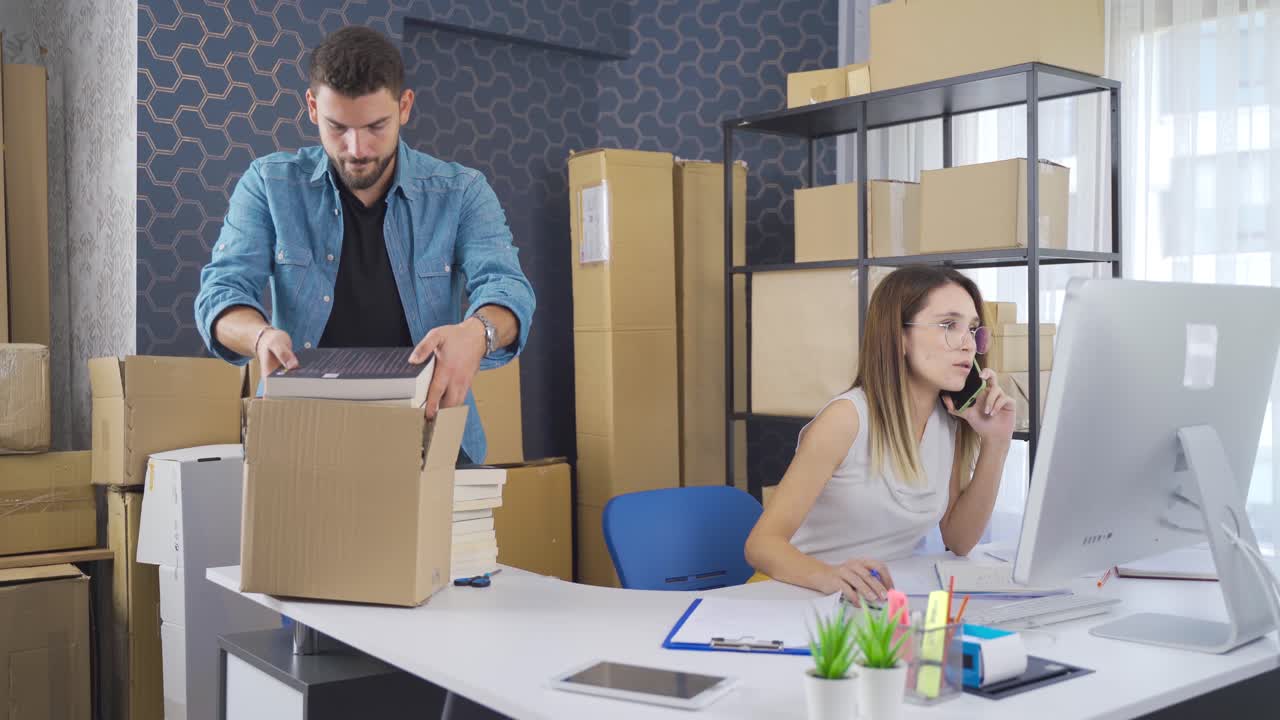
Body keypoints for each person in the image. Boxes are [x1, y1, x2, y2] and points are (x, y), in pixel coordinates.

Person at [194, 26, 534, 464]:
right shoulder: (267, 184)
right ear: (313, 108)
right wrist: (259, 337)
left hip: (431, 439)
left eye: (376, 126)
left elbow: (509, 290)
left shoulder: (463, 191)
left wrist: (477, 334)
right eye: (339, 127)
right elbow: (221, 294)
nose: (358, 149)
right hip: (299, 438)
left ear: (404, 106)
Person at [744, 265, 1015, 604]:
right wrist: (831, 577)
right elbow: (762, 544)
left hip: (868, 599)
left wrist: (996, 441)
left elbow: (960, 539)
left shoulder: (950, 422)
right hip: (792, 594)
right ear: (899, 337)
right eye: (949, 325)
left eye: (973, 329)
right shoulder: (845, 420)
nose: (967, 344)